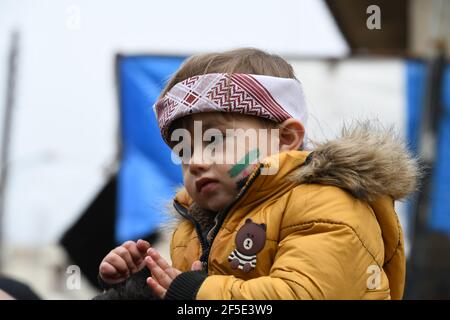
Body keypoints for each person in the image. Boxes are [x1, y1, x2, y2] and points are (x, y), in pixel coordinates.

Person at [95, 48, 419, 300]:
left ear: (285, 138)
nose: (194, 162)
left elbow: (301, 294)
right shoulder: (193, 231)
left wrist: (196, 292)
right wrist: (144, 285)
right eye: (183, 150)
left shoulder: (327, 204)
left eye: (214, 139)